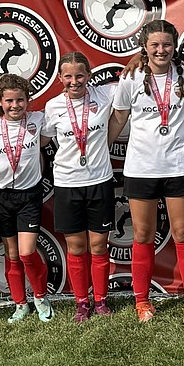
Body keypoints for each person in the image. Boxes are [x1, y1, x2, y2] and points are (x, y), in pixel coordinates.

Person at [108, 19, 184, 324]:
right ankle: (142, 302)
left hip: (179, 166)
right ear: (145, 47)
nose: (161, 50)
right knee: (142, 234)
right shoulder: (131, 78)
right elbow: (118, 119)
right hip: (140, 168)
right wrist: (99, 152)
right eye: (155, 45)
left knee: (182, 232)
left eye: (166, 44)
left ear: (174, 46)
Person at [42, 52, 116, 322]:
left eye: (80, 75)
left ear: (89, 76)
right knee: (76, 247)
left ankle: (100, 301)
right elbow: (42, 140)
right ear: (60, 77)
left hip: (99, 181)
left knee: (98, 245)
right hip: (67, 183)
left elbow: (134, 80)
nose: (75, 81)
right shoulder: (52, 107)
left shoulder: (105, 95)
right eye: (68, 76)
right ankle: (81, 302)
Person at [0, 75, 53, 324]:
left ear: (28, 100)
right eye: (9, 101)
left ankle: (40, 296)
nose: (15, 106)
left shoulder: (38, 120)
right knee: (11, 253)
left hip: (30, 195)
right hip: (2, 195)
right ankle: (20, 304)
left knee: (26, 253)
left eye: (20, 100)